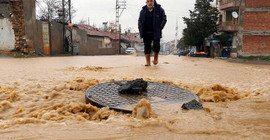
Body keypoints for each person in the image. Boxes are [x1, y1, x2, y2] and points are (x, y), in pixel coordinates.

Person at [138, 0, 167, 66]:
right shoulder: (143, 11)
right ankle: (148, 62)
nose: (150, 3)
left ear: (154, 1)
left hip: (156, 31)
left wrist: (160, 28)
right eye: (148, 1)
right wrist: (140, 29)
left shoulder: (159, 9)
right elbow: (139, 21)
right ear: (146, 2)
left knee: (156, 46)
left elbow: (164, 19)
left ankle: (155, 58)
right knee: (147, 47)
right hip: (146, 32)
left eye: (151, 1)